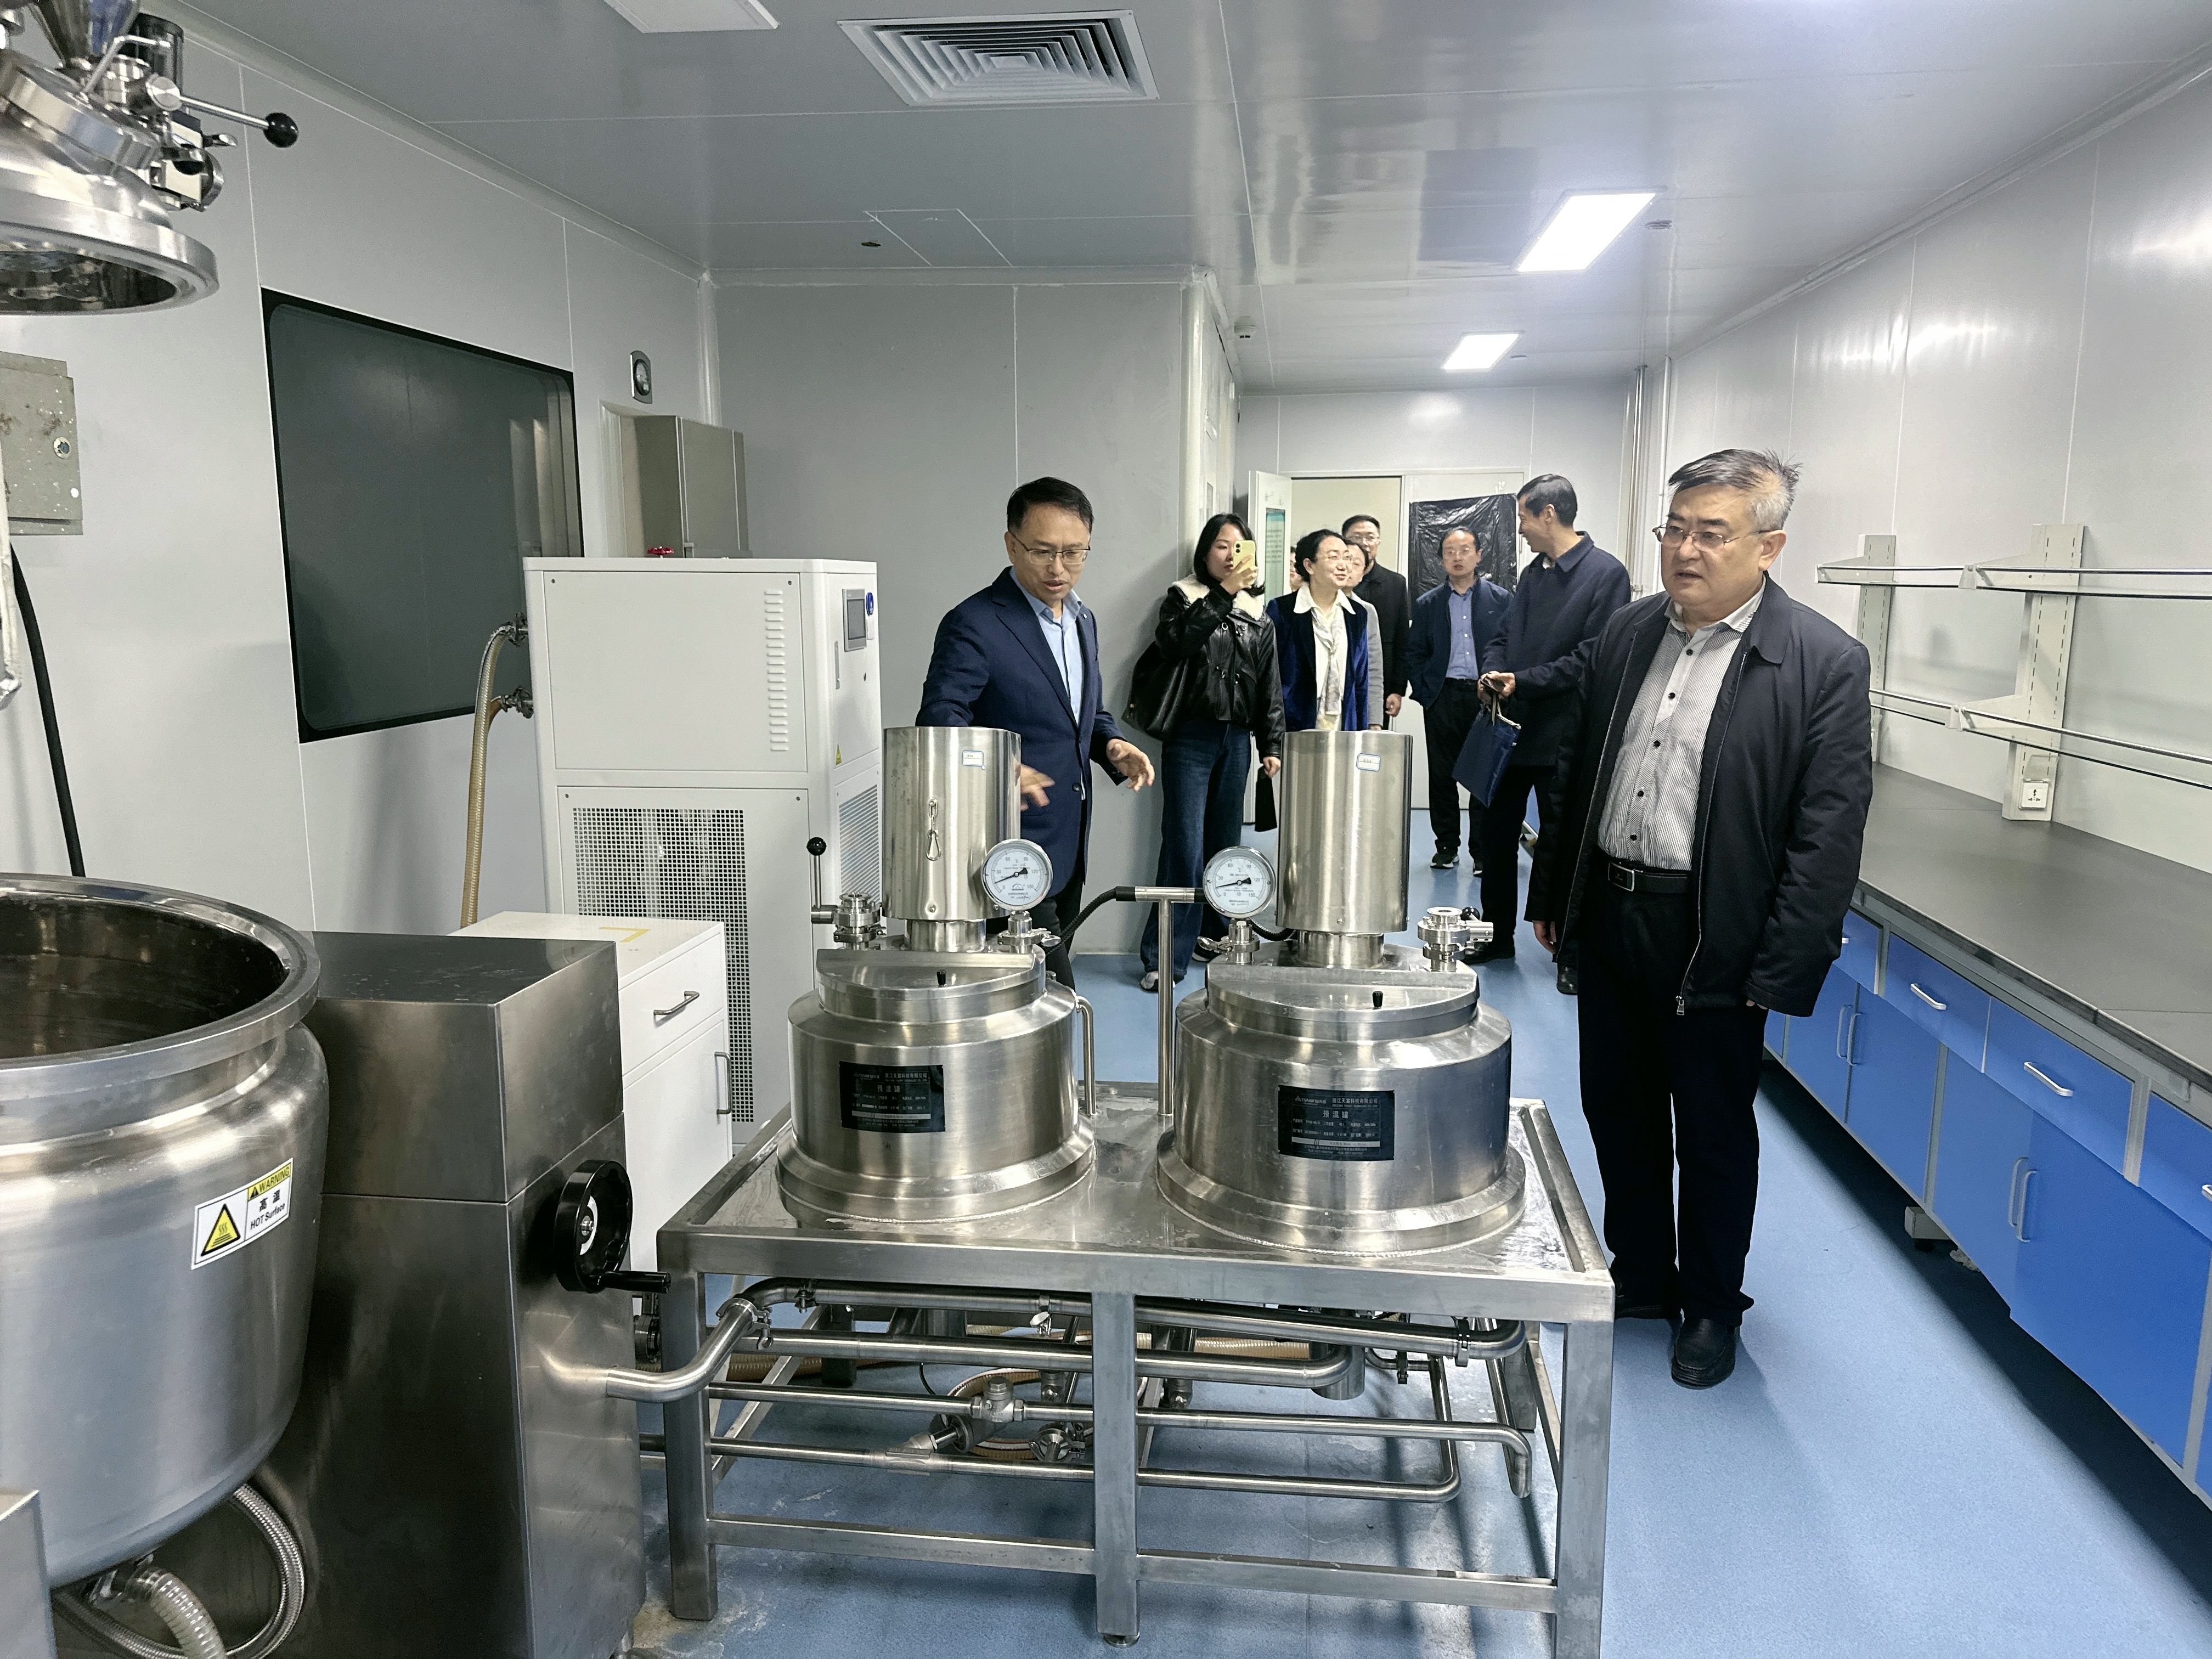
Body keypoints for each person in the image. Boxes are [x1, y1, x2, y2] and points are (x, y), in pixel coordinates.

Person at [1526, 449, 1872, 1390]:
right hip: (1613, 909)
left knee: (1712, 1131)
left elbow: (1828, 829)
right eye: (1674, 529)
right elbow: (1576, 769)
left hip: (1713, 930)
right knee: (1618, 1107)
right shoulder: (1629, 632)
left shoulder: (1820, 663)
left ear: (1769, 546)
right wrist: (1553, 894)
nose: (1685, 549)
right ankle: (1642, 1274)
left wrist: (1780, 963)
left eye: (1711, 533)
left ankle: (1713, 1304)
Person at [917, 476, 1155, 988]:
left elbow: (1080, 713)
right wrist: (1005, 769)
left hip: (1067, 841)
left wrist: (1111, 744)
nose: (1058, 568)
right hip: (1006, 850)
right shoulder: (975, 623)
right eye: (1043, 552)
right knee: (1052, 994)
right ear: (1011, 545)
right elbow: (940, 722)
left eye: (1074, 553)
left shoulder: (1083, 619)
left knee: (1041, 1001)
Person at [1471, 473, 1631, 962]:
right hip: (1509, 731)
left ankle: (1568, 949)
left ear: (1549, 514)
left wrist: (1524, 681)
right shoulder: (1533, 574)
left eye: (1523, 517)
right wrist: (1491, 671)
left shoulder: (1606, 574)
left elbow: (1591, 657)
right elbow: (1503, 635)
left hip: (1562, 734)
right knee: (1495, 839)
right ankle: (1497, 938)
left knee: (1561, 845)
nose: (1519, 528)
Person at [1135, 514, 1285, 992]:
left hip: (1236, 741)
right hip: (1191, 738)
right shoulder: (1184, 597)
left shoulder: (1258, 613)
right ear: (1205, 553)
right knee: (1183, 845)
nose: (1230, 555)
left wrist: (1272, 743)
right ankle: (1164, 957)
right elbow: (1175, 643)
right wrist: (1222, 595)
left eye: (1240, 547)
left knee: (1224, 845)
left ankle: (1214, 937)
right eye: (1222, 546)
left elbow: (1270, 683)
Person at [1406, 527, 1510, 871]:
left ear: (1479, 555)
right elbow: (1415, 652)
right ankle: (1446, 846)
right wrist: (1426, 693)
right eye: (1450, 551)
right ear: (1441, 560)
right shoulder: (1428, 603)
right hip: (1443, 696)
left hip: (1486, 697)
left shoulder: (1501, 600)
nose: (1457, 557)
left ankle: (1481, 851)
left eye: (1465, 550)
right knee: (1442, 775)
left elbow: (1511, 647)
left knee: (1483, 775)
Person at [1268, 529, 1385, 733]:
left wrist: (1362, 730)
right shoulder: (1283, 610)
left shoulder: (1357, 614)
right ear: (1309, 566)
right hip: (1295, 725)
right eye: (1333, 557)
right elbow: (1270, 677)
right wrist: (1272, 734)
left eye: (1347, 558)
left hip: (1343, 722)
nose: (1343, 565)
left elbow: (1361, 681)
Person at [1344, 514, 1410, 724]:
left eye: (1370, 537)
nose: (1364, 543)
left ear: (1379, 541)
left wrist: (1397, 689)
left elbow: (1402, 641)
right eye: (1356, 537)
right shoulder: (1336, 584)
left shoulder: (1396, 583)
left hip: (1380, 687)